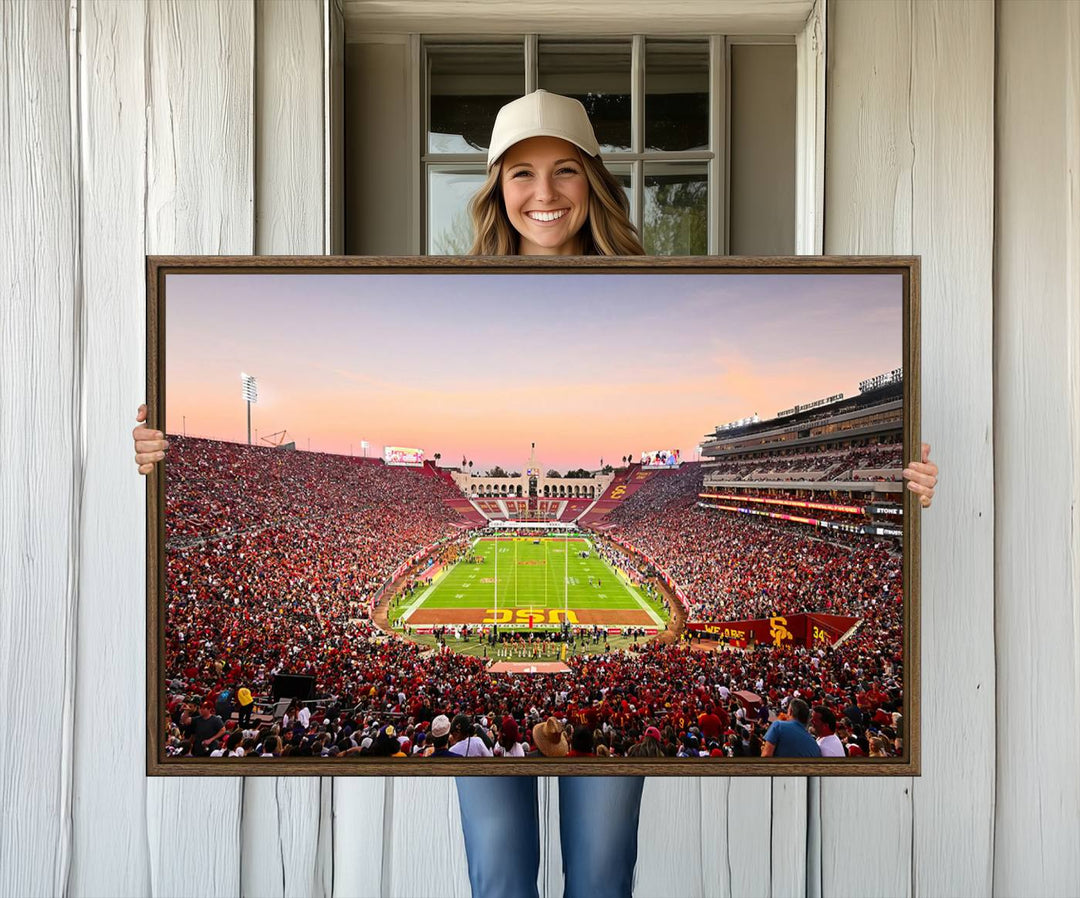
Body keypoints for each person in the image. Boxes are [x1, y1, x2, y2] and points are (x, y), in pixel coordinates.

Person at [131, 89, 940, 898]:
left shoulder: (657, 288)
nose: (544, 193)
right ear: (495, 188)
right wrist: (163, 452)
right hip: (505, 719)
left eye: (564, 171)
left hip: (585, 726)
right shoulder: (450, 290)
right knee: (500, 877)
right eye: (521, 173)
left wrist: (898, 478)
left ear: (593, 181)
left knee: (599, 875)